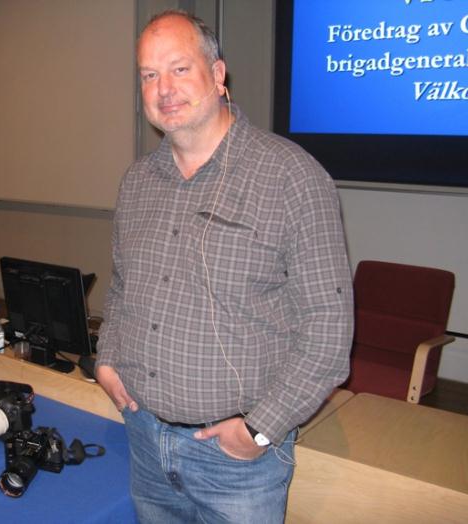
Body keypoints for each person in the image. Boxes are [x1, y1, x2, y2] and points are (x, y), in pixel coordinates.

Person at [95, 10, 354, 524]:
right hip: (145, 440)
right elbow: (124, 286)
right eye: (149, 74)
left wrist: (259, 430)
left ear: (217, 75)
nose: (163, 88)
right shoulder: (137, 182)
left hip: (235, 462)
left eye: (179, 69)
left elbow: (329, 329)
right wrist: (107, 357)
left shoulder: (291, 177)